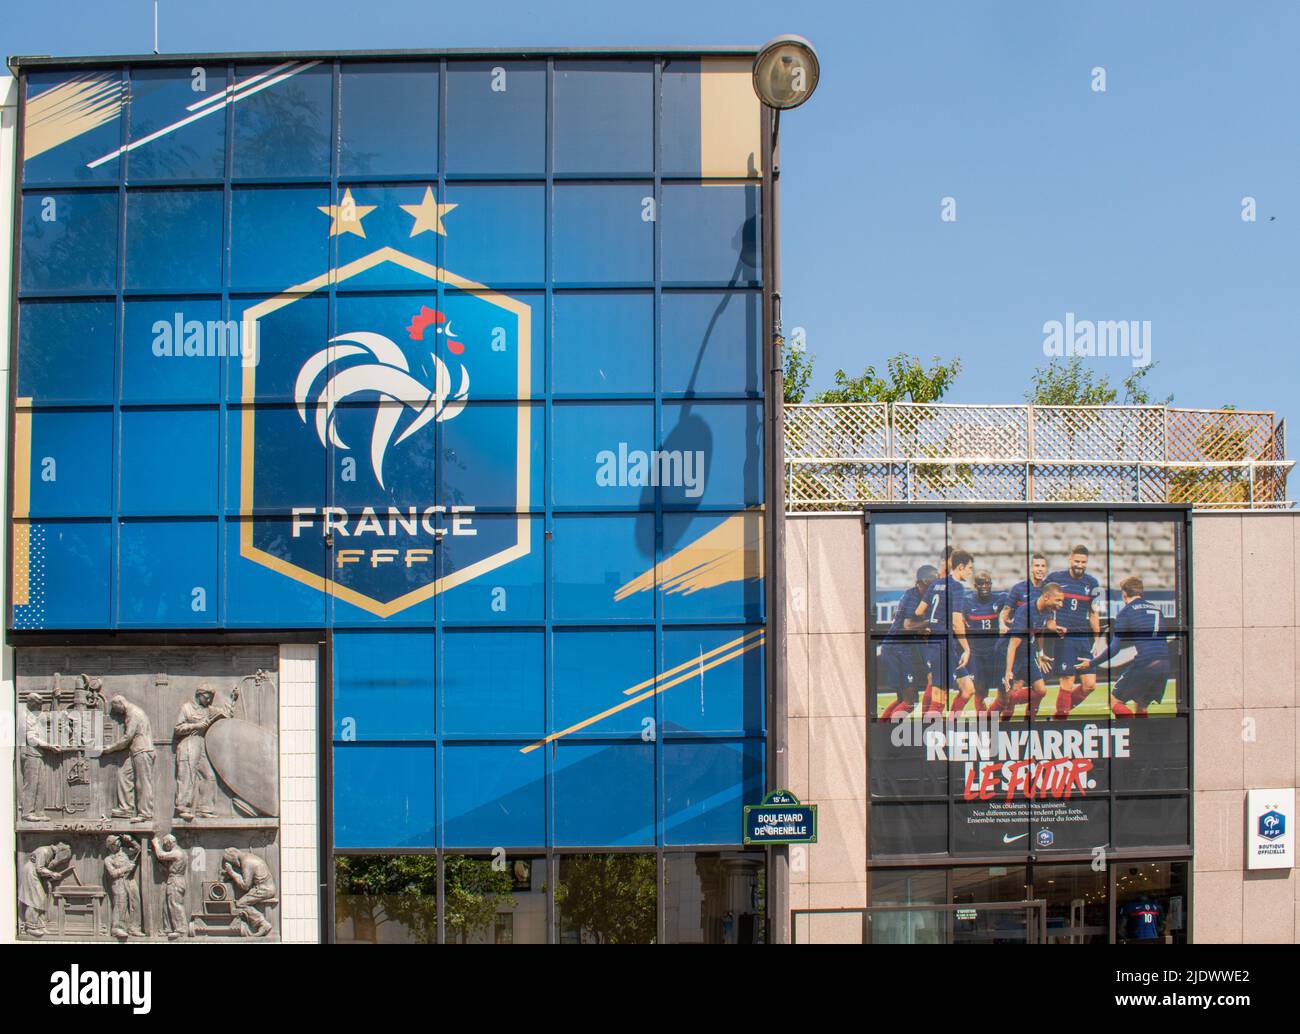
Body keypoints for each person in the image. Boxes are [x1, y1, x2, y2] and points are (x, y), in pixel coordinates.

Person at [1076, 576, 1171, 717]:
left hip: (1146, 662)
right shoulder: (1157, 609)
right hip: (1164, 664)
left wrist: (1091, 663)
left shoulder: (1126, 612)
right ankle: (1141, 738)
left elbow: (1114, 649)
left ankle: (1130, 733)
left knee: (1115, 701)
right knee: (1141, 705)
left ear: (1124, 593)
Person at [1047, 545, 1104, 719]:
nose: (1080, 565)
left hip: (1083, 638)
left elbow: (1094, 612)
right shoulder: (1055, 578)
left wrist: (1098, 639)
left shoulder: (1093, 583)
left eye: (1083, 562)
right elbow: (1044, 602)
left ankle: (1058, 715)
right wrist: (1052, 623)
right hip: (1064, 638)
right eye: (1077, 561)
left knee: (1090, 684)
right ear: (1070, 559)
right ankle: (1060, 721)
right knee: (1067, 681)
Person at [917, 549, 975, 715]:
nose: (971, 572)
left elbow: (920, 611)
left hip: (942, 645)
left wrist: (934, 622)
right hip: (942, 647)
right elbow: (957, 623)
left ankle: (951, 725)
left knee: (968, 689)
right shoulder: (956, 587)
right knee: (940, 697)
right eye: (970, 568)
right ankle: (927, 736)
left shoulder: (936, 584)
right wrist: (967, 648)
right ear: (961, 567)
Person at [878, 565, 938, 720]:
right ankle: (886, 730)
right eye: (935, 579)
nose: (938, 583)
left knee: (903, 700)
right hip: (897, 650)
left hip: (897, 649)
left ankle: (882, 726)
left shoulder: (914, 595)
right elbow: (907, 626)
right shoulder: (914, 597)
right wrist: (928, 623)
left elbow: (898, 617)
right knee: (910, 702)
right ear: (925, 581)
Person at [997, 582, 1065, 718]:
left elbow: (1040, 631)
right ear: (1046, 597)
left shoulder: (1049, 610)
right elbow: (1013, 644)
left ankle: (1025, 720)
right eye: (1058, 600)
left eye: (1062, 601)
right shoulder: (1025, 612)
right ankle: (993, 725)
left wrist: (1040, 653)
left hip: (1027, 653)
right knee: (1008, 695)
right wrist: (1008, 671)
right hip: (1009, 653)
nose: (1061, 604)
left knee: (1040, 691)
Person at [174, 684, 236, 820]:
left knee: (209, 776)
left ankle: (205, 809)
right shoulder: (187, 708)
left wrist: (232, 699)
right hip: (188, 743)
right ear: (199, 695)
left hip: (202, 744)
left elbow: (226, 714)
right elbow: (178, 728)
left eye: (211, 698)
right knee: (187, 775)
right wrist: (196, 725)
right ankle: (183, 807)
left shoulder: (209, 710)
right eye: (207, 697)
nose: (209, 701)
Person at [951, 571, 1005, 715]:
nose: (985, 586)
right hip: (975, 652)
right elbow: (956, 618)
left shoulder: (1000, 599)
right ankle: (980, 719)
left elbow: (1013, 605)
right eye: (981, 583)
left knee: (1003, 689)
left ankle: (989, 717)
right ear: (975, 586)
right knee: (979, 688)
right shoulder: (967, 601)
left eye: (988, 583)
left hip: (994, 651)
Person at [102, 695, 155, 821]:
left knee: (143, 783)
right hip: (134, 751)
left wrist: (110, 748)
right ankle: (126, 809)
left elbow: (127, 737)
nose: (117, 712)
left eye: (116, 709)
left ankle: (145, 814)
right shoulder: (130, 712)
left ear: (120, 703)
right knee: (123, 774)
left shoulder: (134, 713)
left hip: (142, 751)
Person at [20, 697, 65, 821]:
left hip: (39, 754)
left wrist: (63, 712)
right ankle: (27, 813)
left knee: (41, 784)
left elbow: (50, 717)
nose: (40, 708)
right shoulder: (25, 718)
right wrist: (50, 746)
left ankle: (39, 812)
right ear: (33, 704)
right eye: (39, 705)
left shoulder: (36, 715)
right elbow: (32, 739)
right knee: (31, 784)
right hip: (31, 754)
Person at [18, 842, 73, 937]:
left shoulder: (49, 852)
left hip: (34, 874)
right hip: (30, 873)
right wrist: (52, 873)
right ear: (60, 851)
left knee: (41, 899)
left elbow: (42, 870)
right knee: (35, 899)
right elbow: (39, 869)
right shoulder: (43, 851)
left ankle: (39, 925)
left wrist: (51, 875)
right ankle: (30, 927)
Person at [222, 848, 278, 937]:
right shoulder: (248, 857)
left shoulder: (246, 862)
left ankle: (263, 924)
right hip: (262, 887)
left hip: (264, 889)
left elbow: (245, 886)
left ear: (233, 857)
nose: (235, 865)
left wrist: (231, 872)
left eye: (232, 863)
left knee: (240, 903)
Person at [104, 835, 144, 938]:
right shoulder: (108, 859)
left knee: (135, 903)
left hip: (130, 881)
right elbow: (112, 873)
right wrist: (126, 868)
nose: (119, 843)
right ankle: (117, 928)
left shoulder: (125, 851)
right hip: (118, 882)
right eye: (116, 842)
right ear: (111, 846)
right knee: (120, 904)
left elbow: (139, 848)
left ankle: (134, 928)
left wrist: (131, 840)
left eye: (118, 841)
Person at [152, 834, 189, 940]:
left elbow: (161, 855)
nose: (165, 846)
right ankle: (172, 928)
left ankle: (180, 930)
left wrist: (156, 844)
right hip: (177, 879)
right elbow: (172, 867)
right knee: (173, 904)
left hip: (175, 881)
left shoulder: (177, 852)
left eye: (165, 844)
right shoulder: (181, 852)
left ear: (169, 842)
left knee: (175, 904)